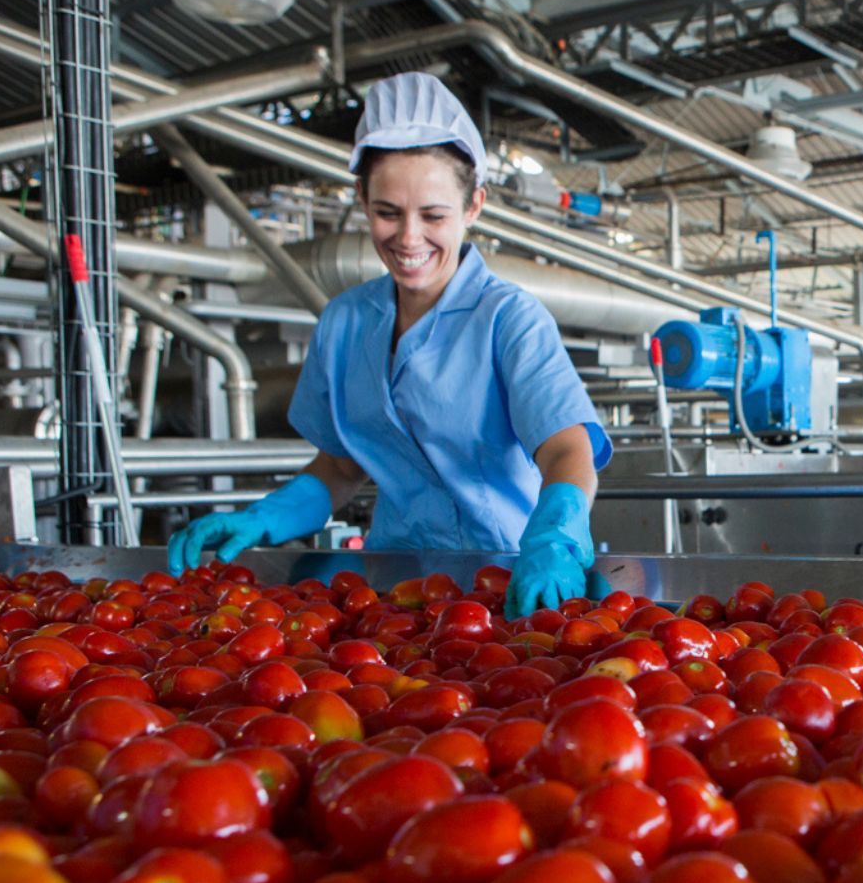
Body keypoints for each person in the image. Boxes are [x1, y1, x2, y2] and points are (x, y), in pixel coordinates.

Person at [168, 73, 612, 617]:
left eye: (433, 215)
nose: (407, 238)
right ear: (361, 199)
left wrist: (556, 540)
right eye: (387, 213)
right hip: (394, 588)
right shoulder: (345, 322)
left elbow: (567, 450)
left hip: (514, 584)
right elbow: (340, 466)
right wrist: (267, 516)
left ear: (474, 205)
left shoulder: (508, 318)